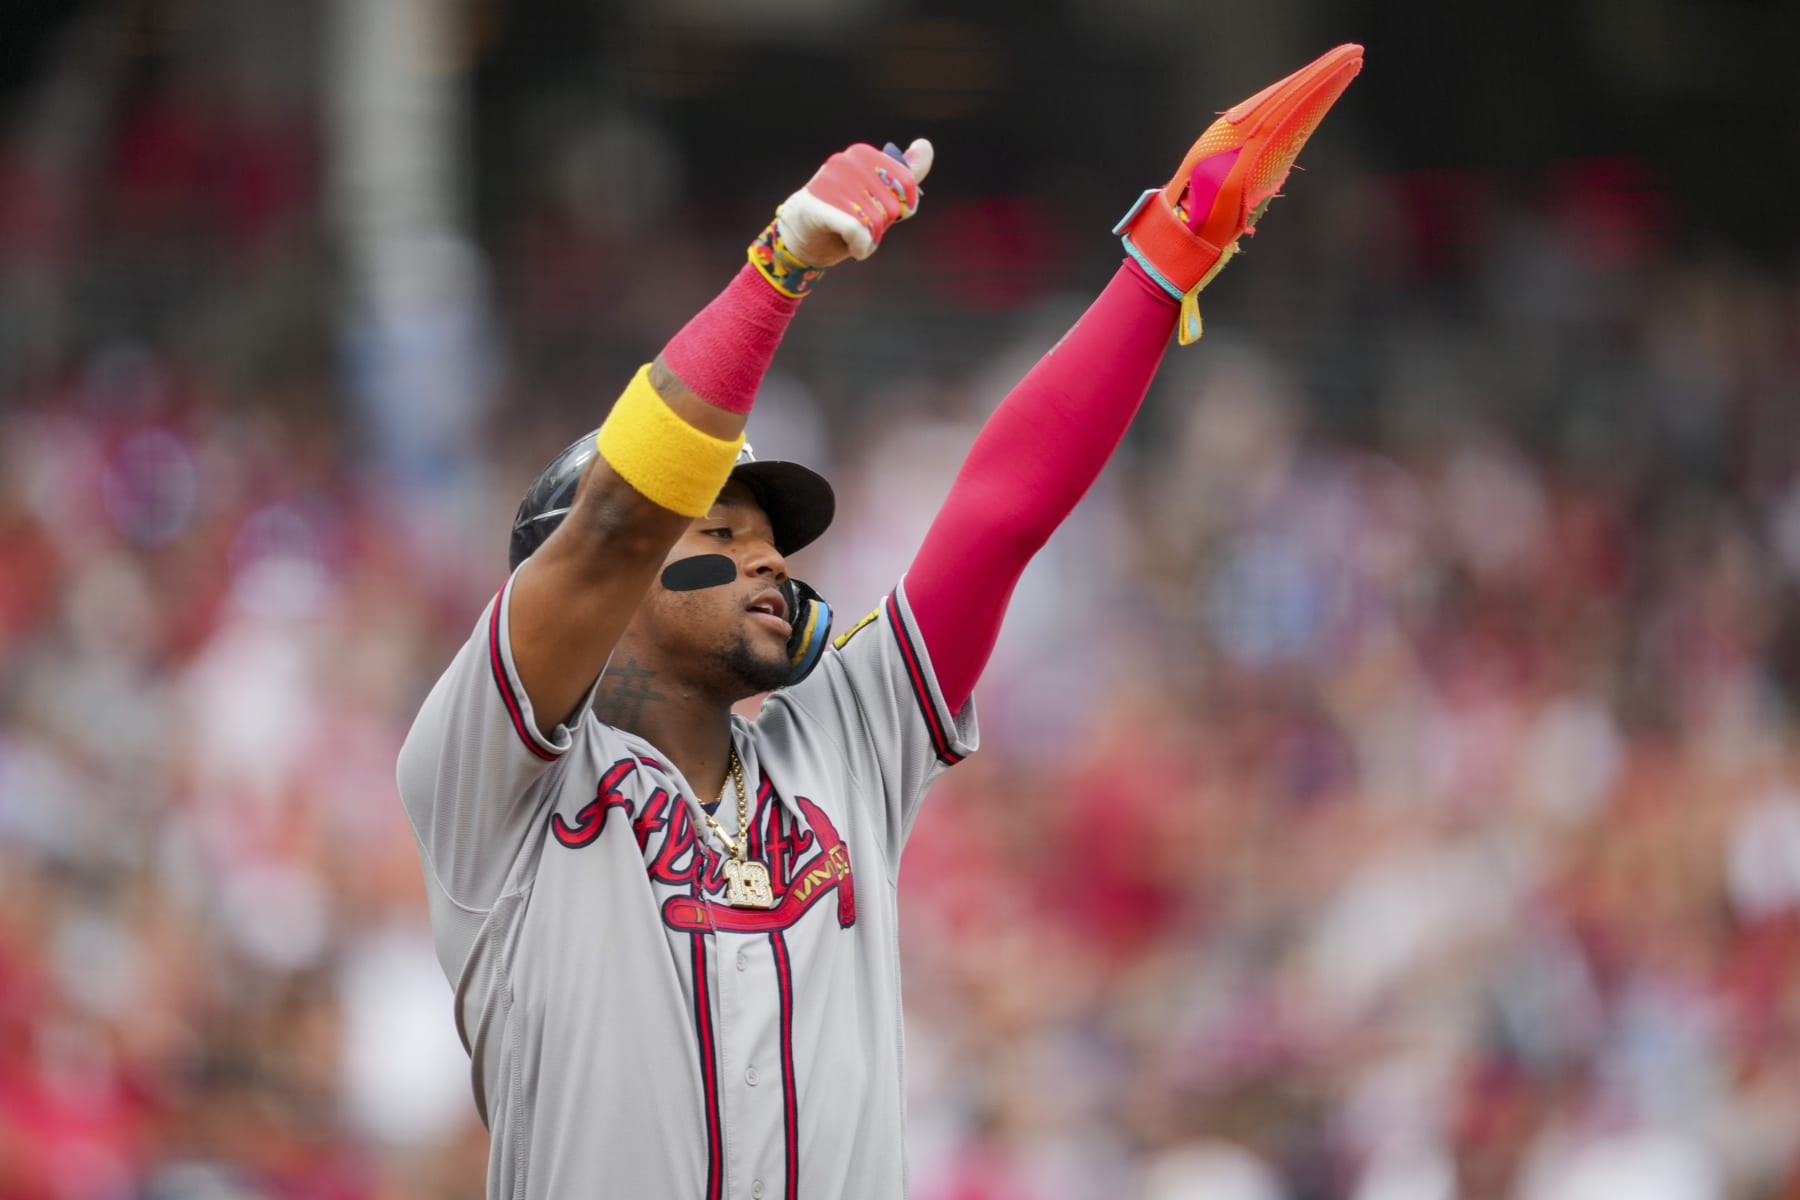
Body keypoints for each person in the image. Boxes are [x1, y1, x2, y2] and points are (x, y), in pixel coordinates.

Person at [398, 44, 1363, 1200]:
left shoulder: (842, 740)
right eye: (716, 533)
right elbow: (611, 528)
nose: (764, 555)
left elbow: (1000, 513)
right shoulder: (490, 783)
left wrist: (1170, 256)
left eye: (769, 535)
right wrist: (775, 273)